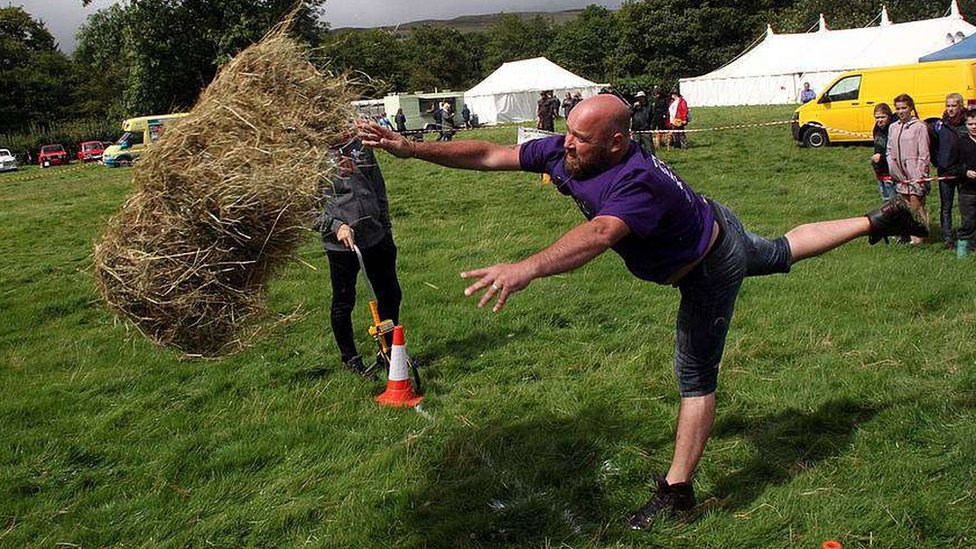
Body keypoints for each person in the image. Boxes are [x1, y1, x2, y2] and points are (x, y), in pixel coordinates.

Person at [356, 95, 928, 530]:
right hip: (712, 220)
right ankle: (881, 220)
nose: (566, 146)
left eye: (582, 139)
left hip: (707, 266)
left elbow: (602, 232)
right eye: (568, 134)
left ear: (616, 141)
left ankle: (678, 492)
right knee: (777, 252)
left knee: (696, 376)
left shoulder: (637, 180)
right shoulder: (565, 148)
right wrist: (411, 149)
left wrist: (527, 267)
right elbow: (487, 152)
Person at [315, 136, 403, 378]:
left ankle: (389, 353)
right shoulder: (311, 154)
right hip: (342, 245)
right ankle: (350, 359)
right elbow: (306, 207)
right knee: (344, 301)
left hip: (376, 236)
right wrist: (334, 225)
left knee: (390, 294)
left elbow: (377, 186)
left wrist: (385, 227)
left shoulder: (360, 145)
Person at [887, 93, 931, 245]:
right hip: (900, 175)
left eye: (904, 108)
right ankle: (910, 234)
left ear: (911, 108)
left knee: (917, 206)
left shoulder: (919, 127)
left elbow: (924, 153)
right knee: (905, 207)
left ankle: (922, 235)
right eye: (898, 108)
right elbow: (889, 149)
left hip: (915, 175)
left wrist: (920, 174)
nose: (901, 111)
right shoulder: (893, 127)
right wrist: (892, 168)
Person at [933, 92, 967, 249]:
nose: (950, 109)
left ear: (960, 106)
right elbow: (933, 146)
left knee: (965, 205)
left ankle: (966, 235)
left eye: (954, 106)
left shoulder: (967, 124)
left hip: (963, 172)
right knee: (946, 206)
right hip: (945, 171)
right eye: (948, 106)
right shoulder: (940, 125)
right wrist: (938, 162)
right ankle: (947, 238)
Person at [954, 109, 976, 252]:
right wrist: (965, 172)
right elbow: (953, 166)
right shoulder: (960, 143)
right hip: (967, 190)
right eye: (970, 124)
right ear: (966, 125)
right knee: (968, 222)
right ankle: (962, 250)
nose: (974, 127)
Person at [871, 103, 897, 201]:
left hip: (891, 170)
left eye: (883, 117)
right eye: (877, 117)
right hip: (880, 170)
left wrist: (881, 156)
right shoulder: (877, 129)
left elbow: (894, 150)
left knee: (894, 202)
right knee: (885, 200)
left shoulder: (893, 129)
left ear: (889, 116)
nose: (879, 120)